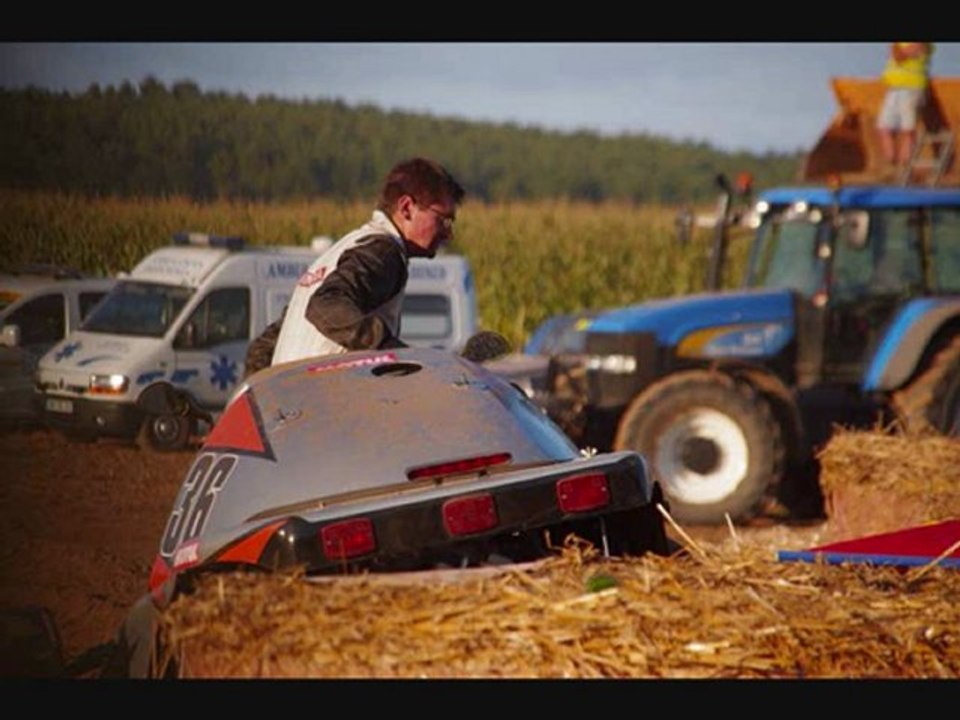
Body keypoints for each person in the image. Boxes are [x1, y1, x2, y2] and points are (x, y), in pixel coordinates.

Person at [244, 157, 465, 377]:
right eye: (443, 220)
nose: (449, 233)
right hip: (321, 403)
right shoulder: (384, 252)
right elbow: (325, 306)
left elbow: (261, 349)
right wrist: (396, 354)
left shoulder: (341, 251)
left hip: (289, 403)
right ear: (406, 208)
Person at [876, 42, 934, 172]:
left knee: (908, 129)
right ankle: (891, 163)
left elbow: (900, 55)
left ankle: (904, 165)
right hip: (894, 88)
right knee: (883, 127)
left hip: (911, 87)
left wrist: (896, 47)